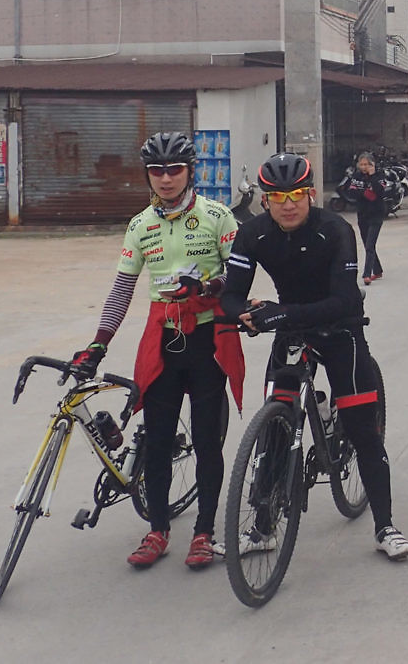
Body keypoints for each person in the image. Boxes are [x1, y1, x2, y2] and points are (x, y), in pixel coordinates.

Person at [220, 153, 408, 561]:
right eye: (277, 196)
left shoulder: (335, 229)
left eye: (295, 194)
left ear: (309, 194)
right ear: (264, 199)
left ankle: (385, 526)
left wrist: (278, 312)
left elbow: (343, 298)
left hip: (340, 328)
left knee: (363, 430)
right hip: (289, 330)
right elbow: (231, 294)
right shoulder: (252, 234)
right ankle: (263, 527)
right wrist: (246, 313)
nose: (288, 204)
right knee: (273, 429)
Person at [70, 131, 245, 570]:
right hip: (163, 342)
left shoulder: (218, 217)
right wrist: (98, 342)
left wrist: (207, 286)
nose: (165, 179)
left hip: (207, 340)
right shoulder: (140, 225)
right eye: (156, 171)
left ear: (191, 172)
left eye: (174, 170)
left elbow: (238, 278)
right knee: (159, 440)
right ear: (148, 174)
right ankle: (158, 529)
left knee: (207, 442)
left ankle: (204, 532)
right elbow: (122, 289)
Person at [340, 151, 397, 284]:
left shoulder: (379, 175)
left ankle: (367, 274)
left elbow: (378, 191)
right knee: (367, 244)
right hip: (362, 214)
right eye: (362, 164)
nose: (364, 167)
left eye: (367, 164)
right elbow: (352, 192)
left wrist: (372, 178)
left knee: (370, 244)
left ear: (372, 164)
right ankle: (377, 270)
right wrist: (366, 192)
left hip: (376, 214)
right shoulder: (357, 176)